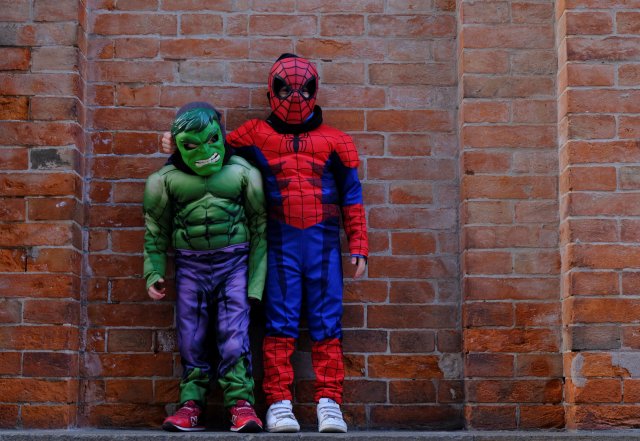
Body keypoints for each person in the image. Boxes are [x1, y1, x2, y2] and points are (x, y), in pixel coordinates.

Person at [162, 54, 368, 433]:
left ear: (314, 89)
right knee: (279, 323)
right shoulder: (255, 133)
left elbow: (352, 196)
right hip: (280, 242)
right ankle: (279, 401)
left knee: (327, 323)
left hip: (322, 244)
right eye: (285, 87)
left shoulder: (338, 141)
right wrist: (176, 148)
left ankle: (329, 401)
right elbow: (210, 151)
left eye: (302, 88)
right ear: (271, 91)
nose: (294, 95)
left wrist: (359, 245)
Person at [144, 102, 267, 432]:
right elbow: (155, 229)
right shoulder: (164, 180)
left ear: (222, 134)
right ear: (177, 143)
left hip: (234, 262)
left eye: (211, 139)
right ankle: (191, 404)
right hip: (190, 265)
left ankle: (241, 404)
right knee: (191, 337)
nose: (205, 151)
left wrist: (256, 284)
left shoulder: (244, 172)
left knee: (233, 336)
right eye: (191, 144)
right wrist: (153, 271)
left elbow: (260, 229)